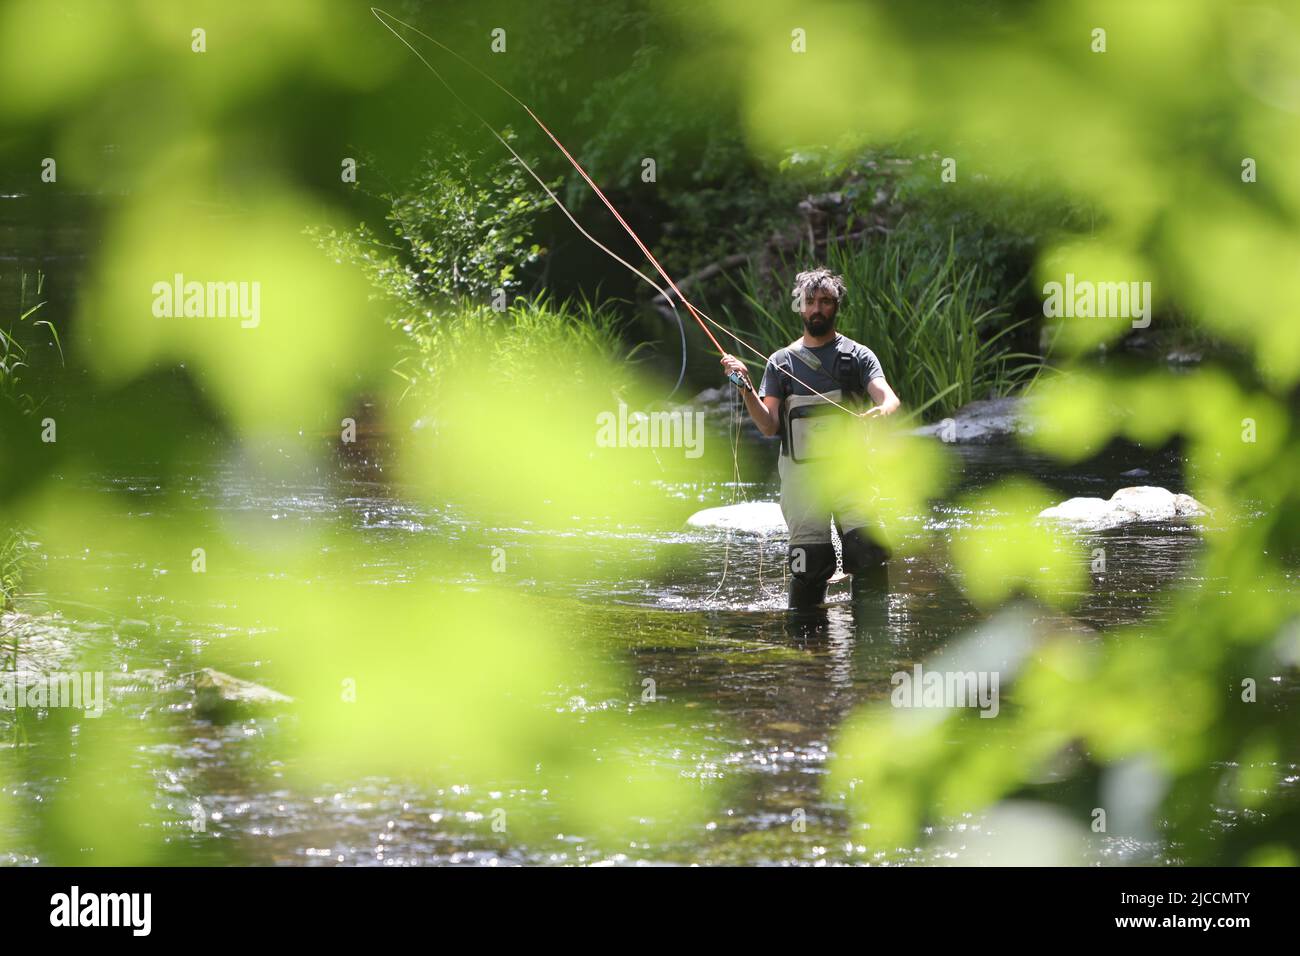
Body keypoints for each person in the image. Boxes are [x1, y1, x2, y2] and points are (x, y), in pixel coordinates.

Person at [721, 266, 901, 608]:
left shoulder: (858, 356)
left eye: (825, 302)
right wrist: (745, 388)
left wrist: (884, 410)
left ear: (836, 307)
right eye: (810, 301)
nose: (817, 308)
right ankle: (806, 654)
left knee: (868, 553)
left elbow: (888, 397)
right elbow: (769, 425)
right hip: (801, 481)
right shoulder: (780, 362)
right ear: (800, 307)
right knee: (809, 564)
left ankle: (874, 647)